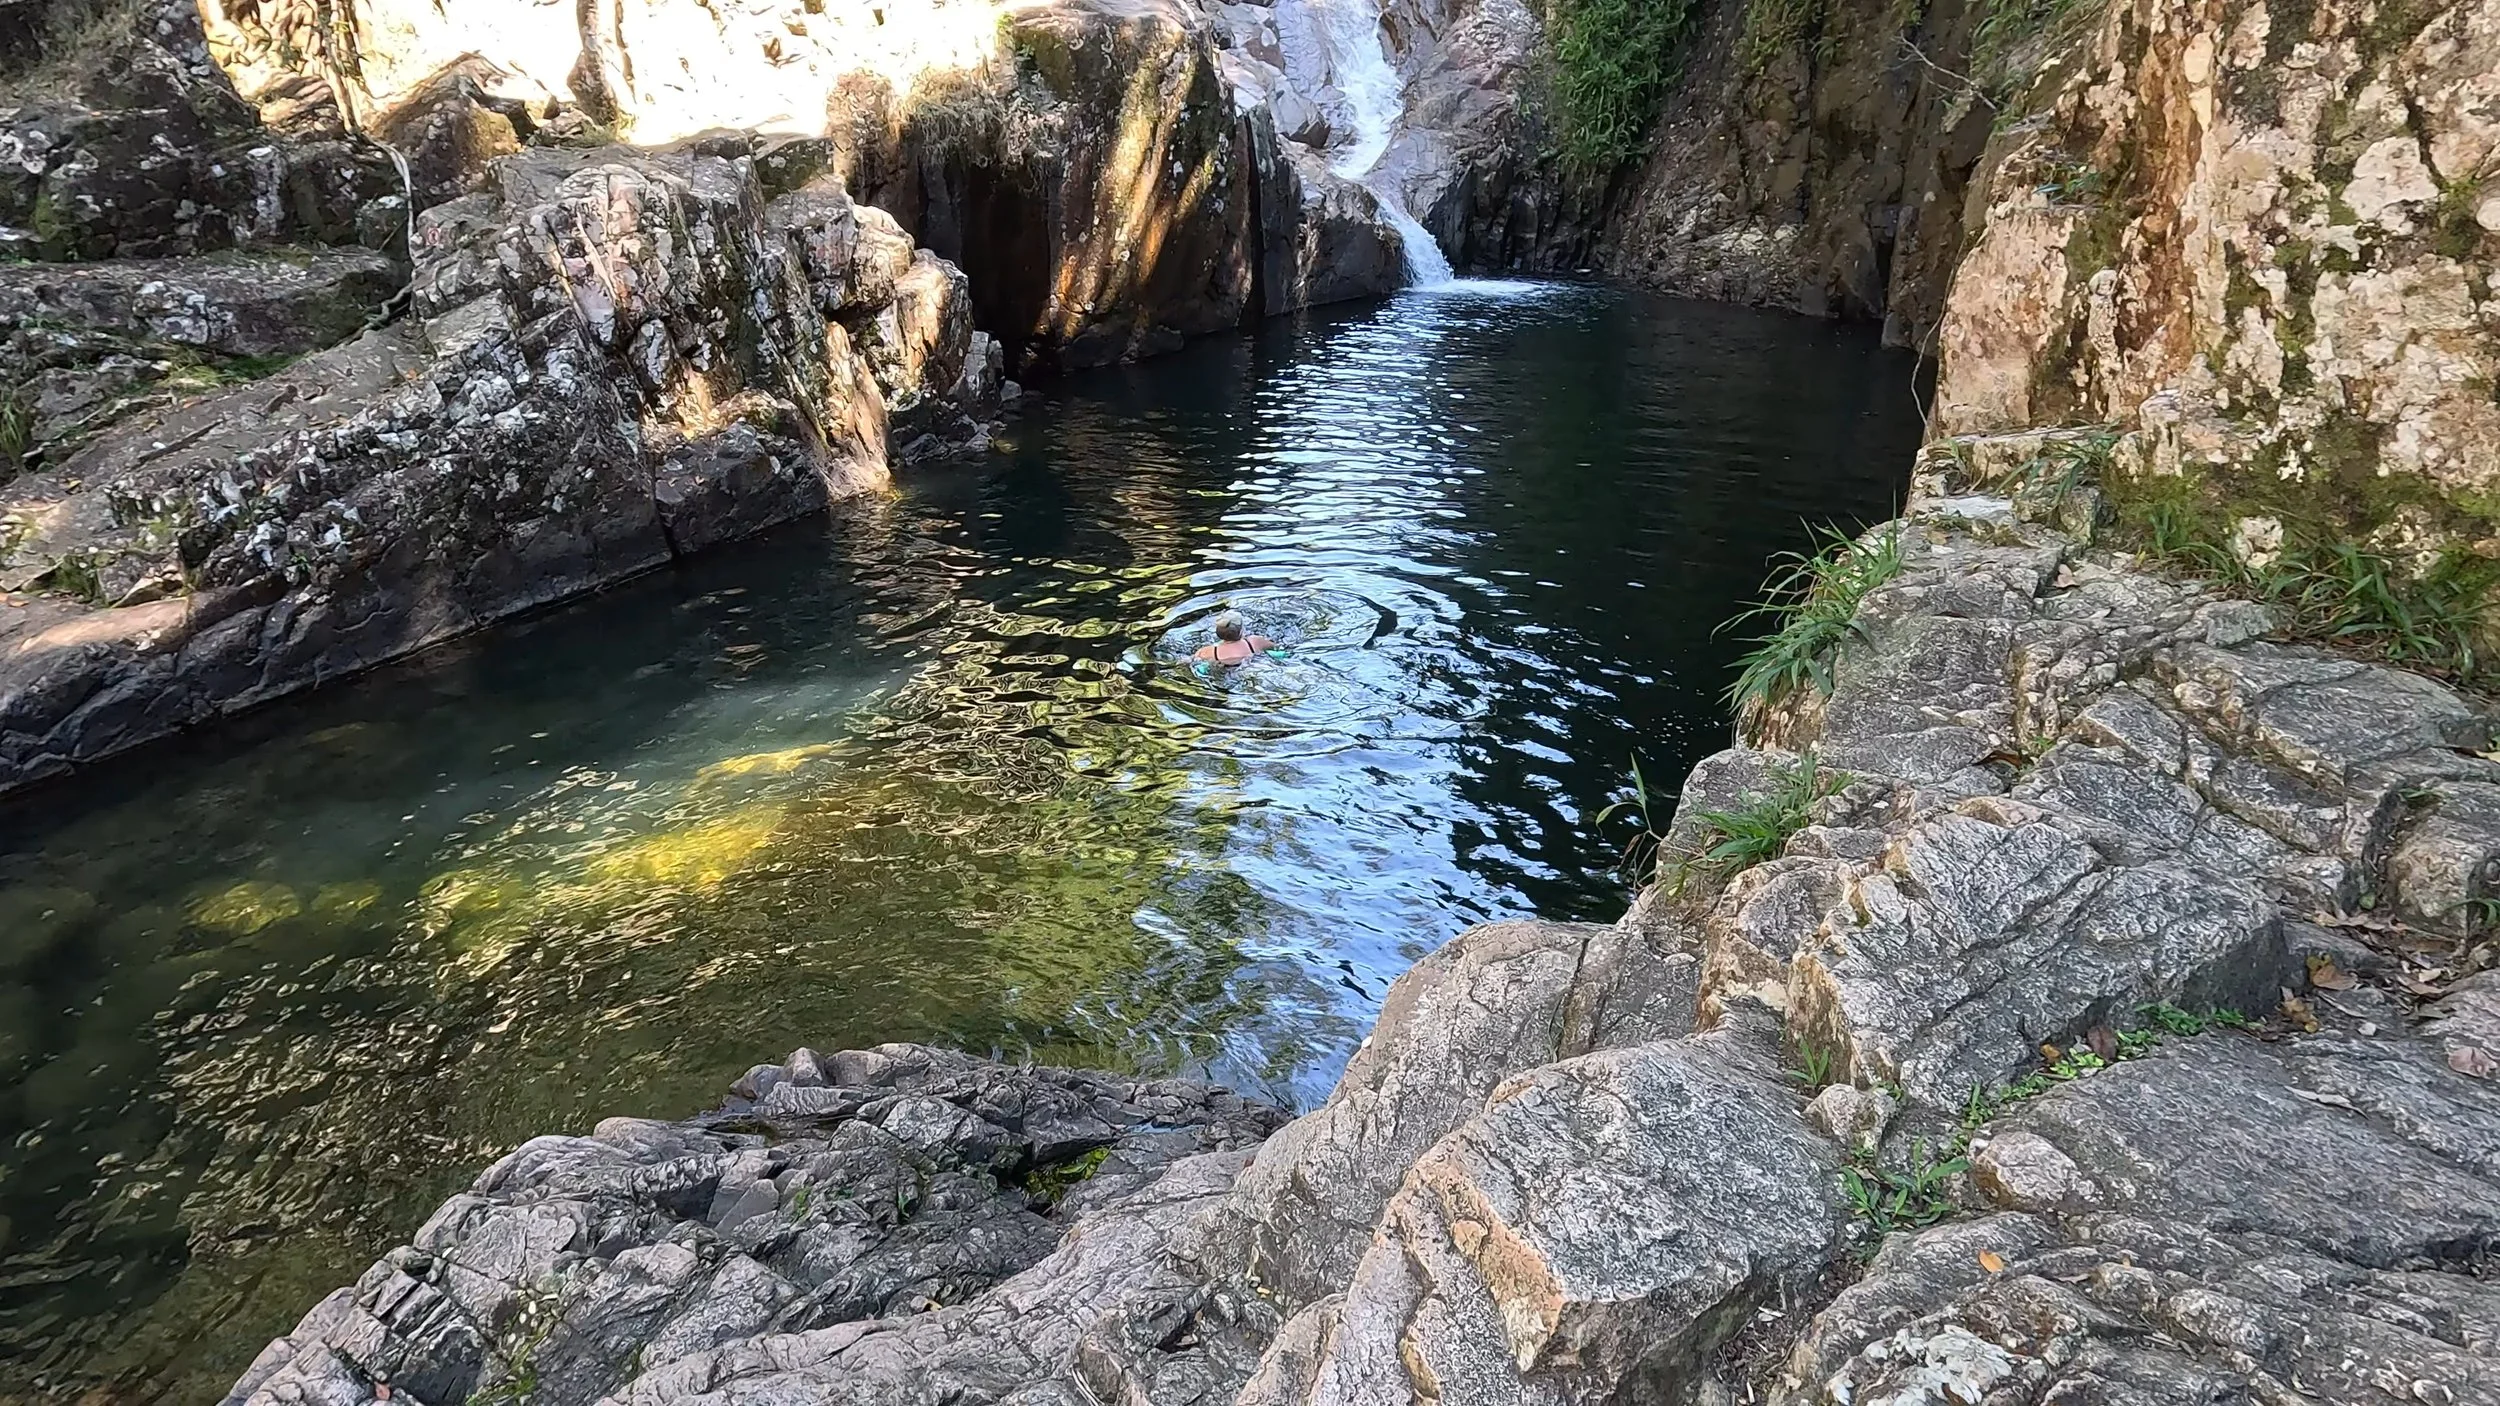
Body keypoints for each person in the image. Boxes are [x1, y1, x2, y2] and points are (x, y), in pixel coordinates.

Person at [1192, 611, 1283, 670]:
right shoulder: (1254, 642)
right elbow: (1276, 647)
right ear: (1241, 631)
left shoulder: (1208, 651)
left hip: (1224, 670)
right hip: (1254, 666)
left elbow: (1191, 660)